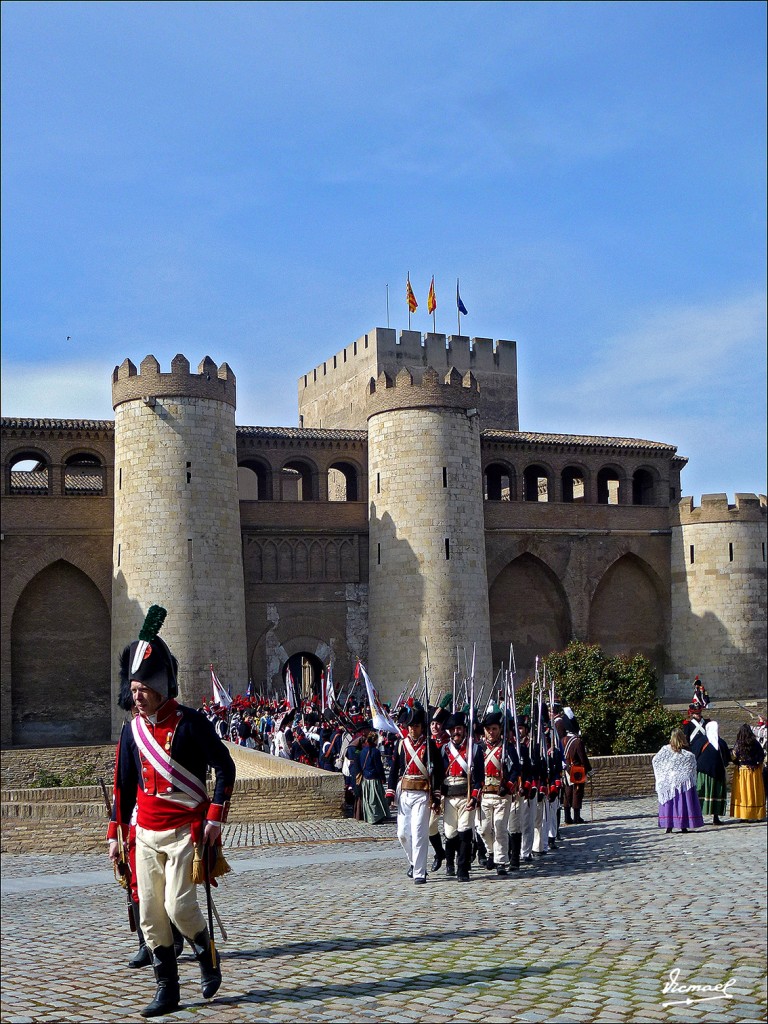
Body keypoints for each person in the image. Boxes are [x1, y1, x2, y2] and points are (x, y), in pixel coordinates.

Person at [108, 606, 236, 1018]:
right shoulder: (132, 732)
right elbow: (124, 786)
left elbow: (225, 766)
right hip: (145, 832)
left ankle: (206, 953)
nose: (136, 693)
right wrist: (115, 835)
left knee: (180, 907)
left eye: (143, 685)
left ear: (161, 685)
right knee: (149, 914)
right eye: (134, 686)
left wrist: (215, 815)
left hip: (186, 831)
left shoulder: (192, 723)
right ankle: (167, 989)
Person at [386, 702, 444, 884]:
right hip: (405, 793)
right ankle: (414, 862)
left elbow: (438, 771)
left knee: (419, 832)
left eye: (416, 726)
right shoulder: (401, 745)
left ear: (422, 727)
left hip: (422, 794)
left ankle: (420, 872)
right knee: (402, 834)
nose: (412, 729)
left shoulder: (430, 746)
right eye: (410, 726)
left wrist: (435, 795)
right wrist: (389, 792)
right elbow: (394, 769)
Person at [441, 710, 484, 882]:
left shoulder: (474, 749)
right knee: (451, 833)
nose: (455, 733)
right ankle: (450, 861)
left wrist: (474, 797)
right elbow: (440, 775)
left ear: (464, 730)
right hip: (450, 796)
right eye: (452, 730)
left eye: (458, 729)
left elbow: (480, 778)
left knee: (465, 832)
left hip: (466, 795)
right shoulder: (445, 750)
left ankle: (462, 868)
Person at [651, 728, 704, 833]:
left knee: (670, 804)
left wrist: (665, 774)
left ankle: (668, 826)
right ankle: (683, 825)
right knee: (682, 803)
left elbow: (655, 760)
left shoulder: (665, 750)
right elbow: (692, 766)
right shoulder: (687, 754)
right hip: (682, 783)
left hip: (670, 780)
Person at [695, 719, 730, 825]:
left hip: (705, 774)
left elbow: (695, 755)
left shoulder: (701, 741)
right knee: (714, 793)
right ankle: (714, 818)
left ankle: (702, 817)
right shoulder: (721, 743)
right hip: (715, 774)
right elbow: (727, 759)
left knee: (707, 793)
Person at [730, 724, 766, 821]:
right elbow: (761, 756)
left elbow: (733, 756)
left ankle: (744, 815)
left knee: (743, 793)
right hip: (754, 772)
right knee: (754, 793)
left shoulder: (739, 744)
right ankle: (757, 814)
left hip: (742, 772)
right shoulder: (755, 743)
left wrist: (737, 762)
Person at [562, 721, 592, 826]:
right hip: (577, 769)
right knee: (577, 792)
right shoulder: (577, 742)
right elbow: (583, 758)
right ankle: (577, 816)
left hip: (566, 769)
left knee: (567, 792)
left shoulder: (563, 740)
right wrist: (589, 769)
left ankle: (567, 817)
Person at [359, 731, 390, 824]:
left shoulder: (362, 751)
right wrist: (383, 777)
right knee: (375, 799)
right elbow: (378, 766)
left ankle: (369, 816)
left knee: (368, 799)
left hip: (365, 777)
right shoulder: (375, 751)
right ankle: (376, 817)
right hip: (373, 777)